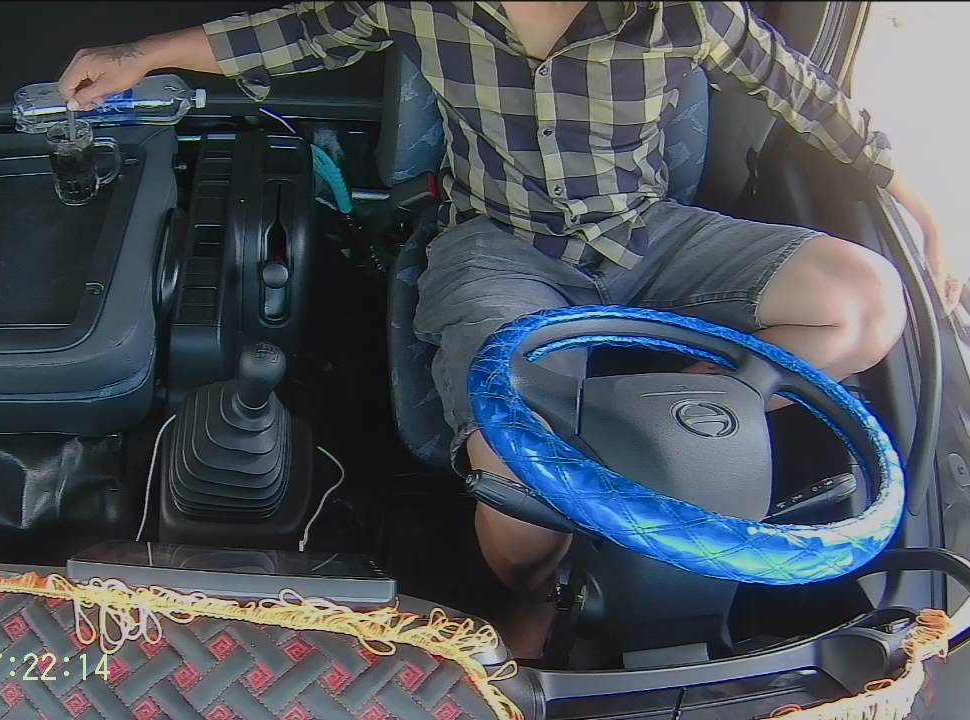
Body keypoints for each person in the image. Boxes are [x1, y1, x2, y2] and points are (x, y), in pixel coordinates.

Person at [57, 1, 956, 658]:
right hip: (499, 246)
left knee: (867, 302)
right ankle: (527, 602)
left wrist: (931, 212)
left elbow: (812, 100)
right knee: (514, 467)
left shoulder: (688, 13)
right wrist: (137, 55)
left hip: (646, 234)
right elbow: (286, 33)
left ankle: (653, 422)